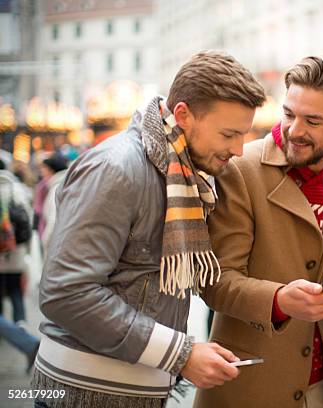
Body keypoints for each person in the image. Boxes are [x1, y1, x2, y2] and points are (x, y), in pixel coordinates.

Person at [31, 50, 266, 408]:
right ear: (183, 115)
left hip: (134, 389)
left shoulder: (182, 176)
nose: (237, 149)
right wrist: (181, 353)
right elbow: (66, 291)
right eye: (228, 134)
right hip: (85, 394)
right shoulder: (117, 168)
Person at [194, 56, 323, 408]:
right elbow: (215, 281)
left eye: (313, 120)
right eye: (289, 114)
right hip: (249, 387)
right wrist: (278, 300)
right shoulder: (240, 169)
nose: (294, 129)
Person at [0, 159, 33, 324]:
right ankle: (19, 323)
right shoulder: (16, 188)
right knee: (15, 288)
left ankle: (4, 328)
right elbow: (27, 219)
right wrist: (28, 249)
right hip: (15, 247)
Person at [37, 153, 69, 254]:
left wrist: (45, 242)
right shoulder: (66, 184)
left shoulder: (56, 189)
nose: (42, 174)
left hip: (56, 249)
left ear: (51, 170)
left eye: (44, 170)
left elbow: (53, 221)